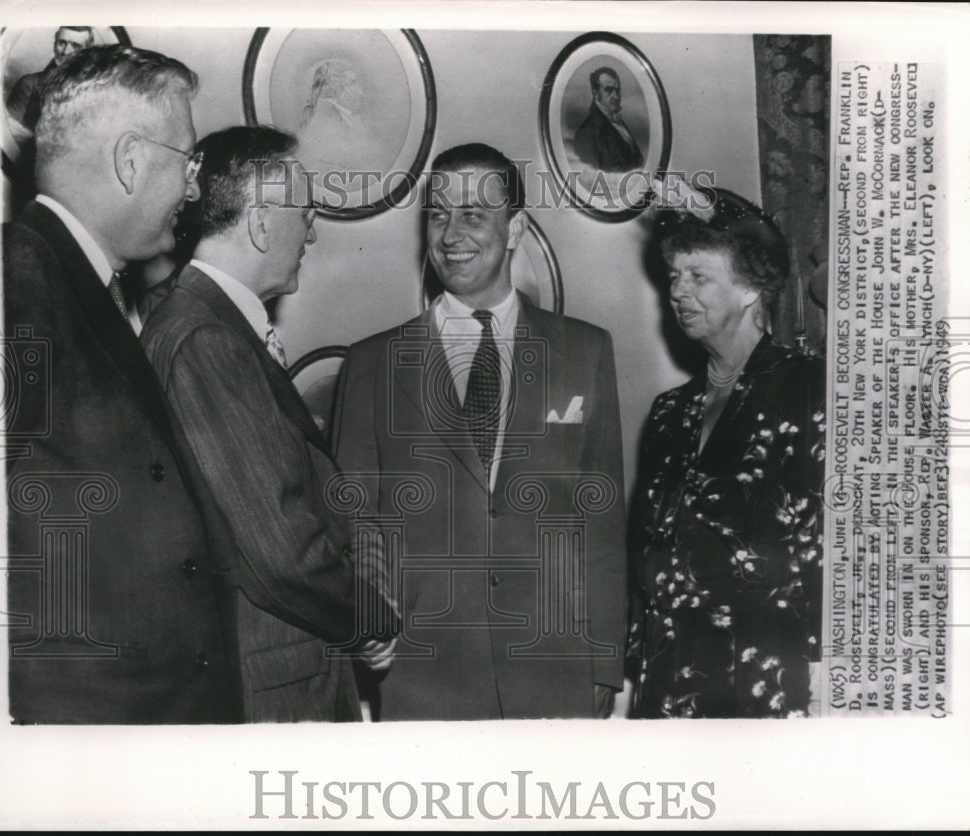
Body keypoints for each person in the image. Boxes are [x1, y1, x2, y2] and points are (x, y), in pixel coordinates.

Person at [333, 142, 627, 720]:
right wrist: (368, 614)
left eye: (473, 215)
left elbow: (602, 523)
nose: (451, 234)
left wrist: (604, 661)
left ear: (515, 228)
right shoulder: (372, 364)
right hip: (423, 674)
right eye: (438, 215)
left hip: (555, 668)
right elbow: (352, 519)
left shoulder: (585, 350)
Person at [3, 45, 243, 723]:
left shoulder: (74, 278)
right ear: (131, 160)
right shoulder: (18, 273)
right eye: (188, 163)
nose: (194, 190)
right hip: (85, 732)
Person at [141, 126, 398, 722]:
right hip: (275, 688)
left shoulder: (196, 321)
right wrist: (368, 622)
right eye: (305, 212)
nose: (311, 230)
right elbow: (280, 543)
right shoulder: (208, 339)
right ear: (260, 223)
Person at [628, 186, 825, 719]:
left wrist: (829, 668)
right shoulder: (670, 411)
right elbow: (645, 546)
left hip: (767, 678)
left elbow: (825, 545)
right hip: (672, 674)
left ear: (749, 289)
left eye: (698, 277)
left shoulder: (809, 386)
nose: (678, 292)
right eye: (674, 277)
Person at [6, 26, 94, 135]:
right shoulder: (28, 85)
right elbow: (9, 136)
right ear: (54, 45)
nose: (66, 52)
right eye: (62, 43)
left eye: (75, 46)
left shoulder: (96, 89)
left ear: (88, 51)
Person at [572, 67, 645, 172]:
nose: (616, 96)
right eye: (609, 90)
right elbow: (591, 181)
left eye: (617, 90)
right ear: (596, 93)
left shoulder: (618, 123)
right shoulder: (585, 135)